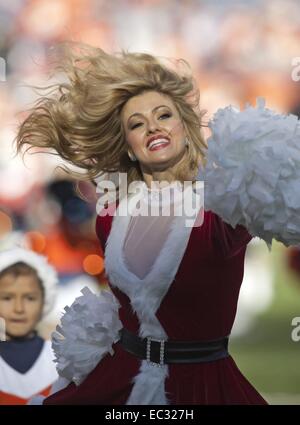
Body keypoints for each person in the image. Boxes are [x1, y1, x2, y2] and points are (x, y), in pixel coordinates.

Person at [15, 43, 300, 405]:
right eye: (136, 123)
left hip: (202, 387)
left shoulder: (224, 206)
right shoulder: (110, 214)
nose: (152, 126)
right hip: (120, 379)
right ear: (130, 146)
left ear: (184, 125)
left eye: (164, 115)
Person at [0, 247, 58, 404]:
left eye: (30, 298)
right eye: (7, 298)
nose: (19, 308)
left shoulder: (62, 359)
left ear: (44, 301)